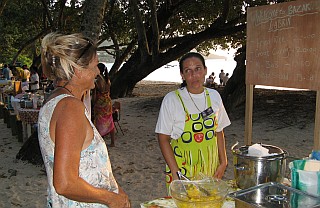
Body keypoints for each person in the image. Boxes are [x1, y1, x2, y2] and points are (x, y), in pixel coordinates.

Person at [38, 32, 130, 208]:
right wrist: (109, 198)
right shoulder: (70, 108)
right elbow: (65, 183)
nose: (97, 71)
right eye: (94, 66)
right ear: (77, 70)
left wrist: (116, 190)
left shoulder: (56, 99)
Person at [155, 52, 231, 191]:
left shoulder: (214, 96)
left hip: (210, 168)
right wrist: (176, 172)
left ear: (205, 70)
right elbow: (163, 138)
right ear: (182, 75)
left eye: (197, 69)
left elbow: (219, 131)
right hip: (182, 170)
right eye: (188, 71)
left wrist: (223, 162)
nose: (194, 75)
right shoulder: (172, 99)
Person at [93, 63, 116, 147]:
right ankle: (113, 142)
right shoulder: (107, 79)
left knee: (99, 122)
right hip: (107, 101)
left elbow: (95, 94)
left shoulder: (98, 80)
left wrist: (93, 103)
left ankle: (100, 142)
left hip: (100, 102)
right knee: (110, 121)